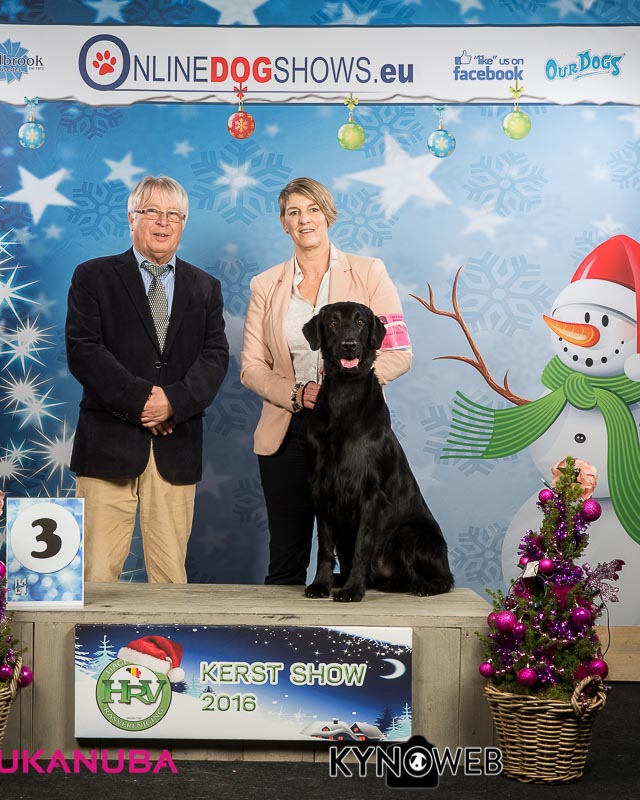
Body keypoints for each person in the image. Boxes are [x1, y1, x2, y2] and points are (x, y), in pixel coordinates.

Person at [240, 177, 413, 585]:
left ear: (328, 215)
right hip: (287, 432)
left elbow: (399, 353)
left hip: (355, 430)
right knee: (286, 560)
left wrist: (346, 386)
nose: (305, 220)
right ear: (283, 222)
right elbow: (251, 366)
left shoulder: (369, 272)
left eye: (313, 209)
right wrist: (298, 394)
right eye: (294, 212)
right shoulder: (265, 285)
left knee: (355, 561)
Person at [66, 175, 229, 584]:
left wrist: (172, 402)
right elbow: (84, 350)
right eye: (152, 211)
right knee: (96, 575)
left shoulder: (205, 287)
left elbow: (215, 356)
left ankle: (167, 634)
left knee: (170, 577)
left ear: (184, 222)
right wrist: (142, 400)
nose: (163, 222)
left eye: (173, 214)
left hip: (176, 448)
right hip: (107, 446)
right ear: (131, 217)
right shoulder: (93, 276)